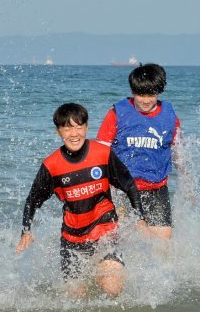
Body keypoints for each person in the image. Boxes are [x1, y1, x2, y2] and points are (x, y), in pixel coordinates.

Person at [16, 103, 147, 298]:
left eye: (78, 127)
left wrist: (140, 217)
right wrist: (26, 231)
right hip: (73, 239)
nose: (74, 133)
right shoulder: (51, 165)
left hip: (105, 232)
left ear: (86, 127)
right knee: (75, 298)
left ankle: (104, 272)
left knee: (112, 288)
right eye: (67, 128)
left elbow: (128, 185)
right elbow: (32, 200)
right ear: (58, 131)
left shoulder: (102, 154)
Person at [96, 63, 181, 240]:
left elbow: (178, 151)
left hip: (157, 189)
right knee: (122, 237)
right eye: (141, 94)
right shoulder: (117, 113)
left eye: (151, 94)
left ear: (159, 91)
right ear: (132, 91)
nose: (146, 100)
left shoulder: (169, 116)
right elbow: (100, 151)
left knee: (163, 241)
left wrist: (187, 181)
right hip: (123, 189)